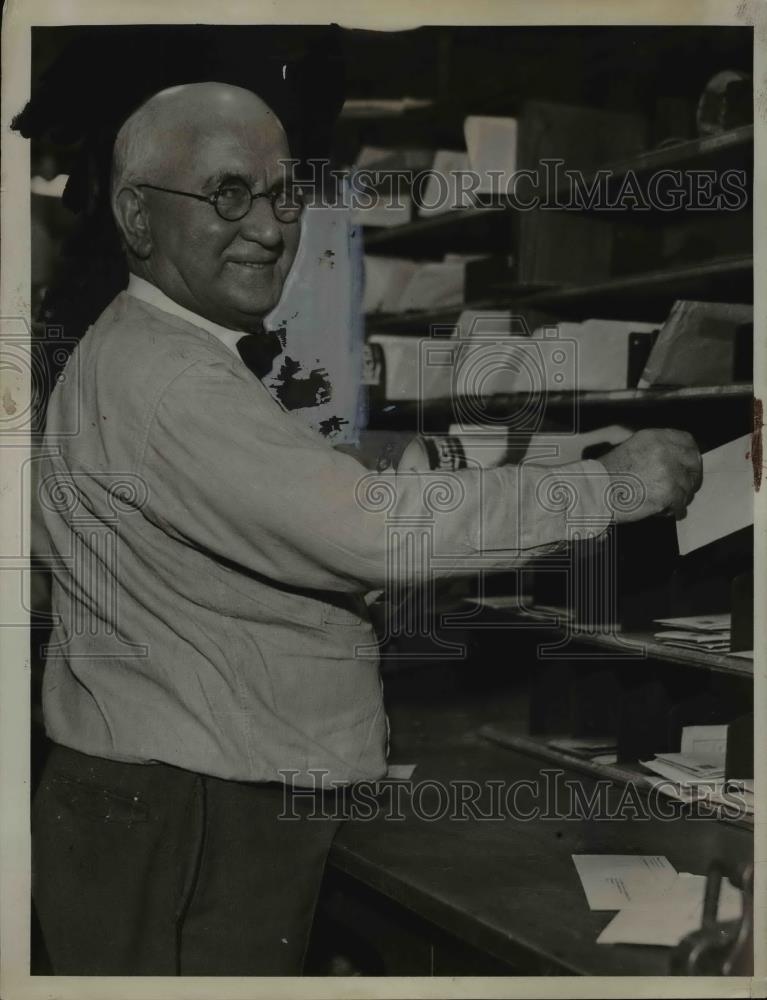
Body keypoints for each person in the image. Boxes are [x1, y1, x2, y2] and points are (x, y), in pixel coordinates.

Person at [32, 82, 702, 976]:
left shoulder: (144, 350)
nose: (270, 230)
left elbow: (281, 518)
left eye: (284, 195)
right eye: (229, 194)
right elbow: (375, 534)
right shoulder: (172, 380)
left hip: (164, 797)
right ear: (137, 216)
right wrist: (612, 488)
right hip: (195, 816)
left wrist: (548, 465)